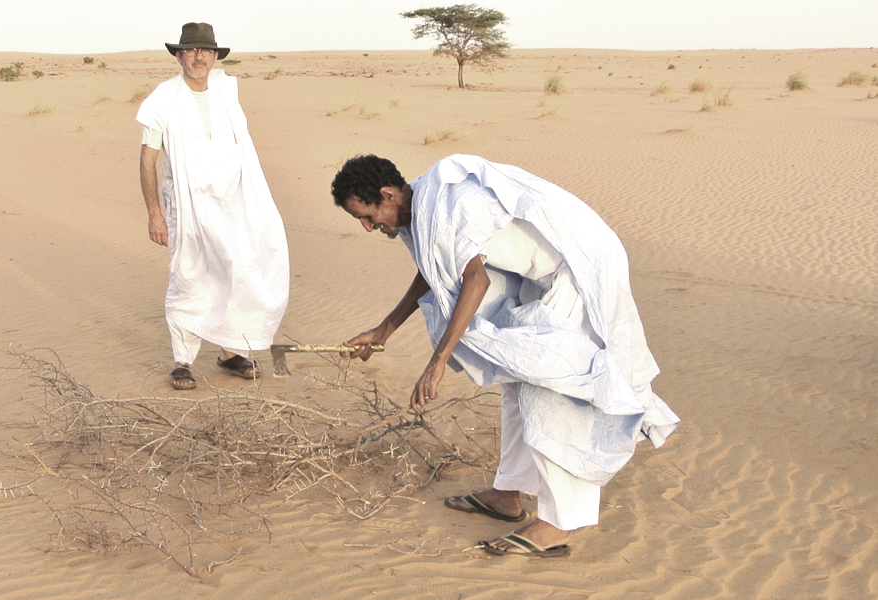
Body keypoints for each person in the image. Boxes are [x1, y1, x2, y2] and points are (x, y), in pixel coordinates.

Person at [332, 154, 679, 557]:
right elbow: (438, 267)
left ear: (387, 195)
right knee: (515, 378)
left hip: (580, 268)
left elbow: (474, 280)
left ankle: (557, 523)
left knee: (550, 389)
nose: (367, 227)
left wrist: (438, 360)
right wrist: (384, 329)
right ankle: (508, 493)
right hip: (542, 277)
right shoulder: (421, 208)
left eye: (367, 216)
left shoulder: (451, 203)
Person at [136, 23, 289, 390]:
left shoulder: (225, 89)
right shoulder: (162, 99)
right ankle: (182, 362)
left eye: (206, 50)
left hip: (233, 199)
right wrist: (155, 215)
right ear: (178, 55)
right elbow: (147, 161)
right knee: (188, 275)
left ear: (217, 56)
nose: (198, 57)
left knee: (238, 269)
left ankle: (230, 352)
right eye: (190, 50)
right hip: (187, 204)